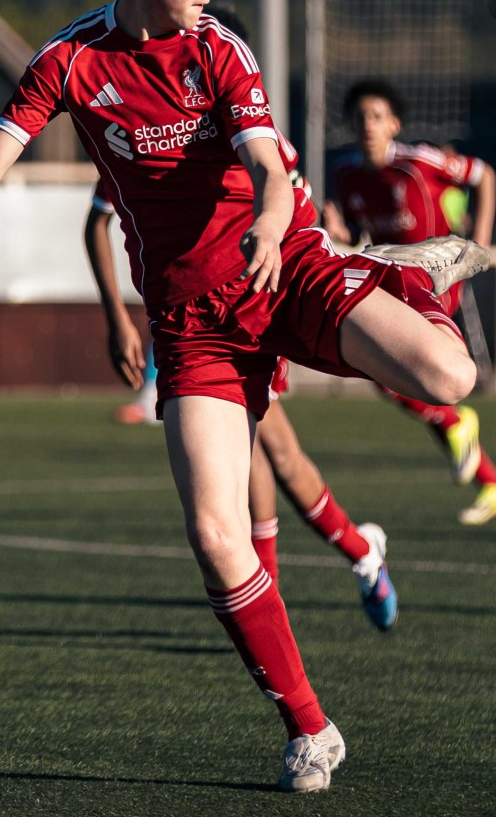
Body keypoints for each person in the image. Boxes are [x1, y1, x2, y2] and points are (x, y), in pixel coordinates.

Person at [0, 0, 487, 793]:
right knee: (215, 535)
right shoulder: (69, 60)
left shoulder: (219, 49)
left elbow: (267, 164)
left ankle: (405, 273)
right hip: (192, 325)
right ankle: (309, 730)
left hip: (289, 268)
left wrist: (271, 227)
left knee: (449, 377)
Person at [85, 185, 396, 630]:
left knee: (277, 456)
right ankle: (344, 559)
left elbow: (288, 194)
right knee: (265, 455)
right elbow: (96, 222)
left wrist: (327, 237)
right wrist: (116, 317)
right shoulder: (127, 146)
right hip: (196, 320)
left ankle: (349, 559)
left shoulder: (245, 145)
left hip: (255, 303)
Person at [324, 79, 496, 526]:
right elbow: (357, 232)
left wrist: (479, 245)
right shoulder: (346, 175)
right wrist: (337, 231)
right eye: (360, 118)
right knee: (401, 375)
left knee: (393, 366)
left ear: (394, 124)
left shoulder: (418, 162)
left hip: (435, 276)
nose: (368, 125)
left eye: (377, 117)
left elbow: (484, 175)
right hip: (391, 276)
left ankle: (456, 424)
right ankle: (492, 482)